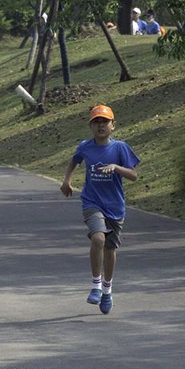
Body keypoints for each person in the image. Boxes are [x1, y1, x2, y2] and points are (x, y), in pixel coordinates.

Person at [59, 104, 140, 316]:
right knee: (98, 238)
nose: (101, 126)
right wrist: (67, 181)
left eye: (105, 122)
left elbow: (133, 175)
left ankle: (107, 290)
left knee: (110, 249)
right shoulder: (85, 147)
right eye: (96, 122)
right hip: (92, 202)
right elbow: (74, 161)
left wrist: (116, 168)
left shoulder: (120, 148)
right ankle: (95, 285)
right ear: (91, 126)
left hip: (115, 206)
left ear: (113, 125)